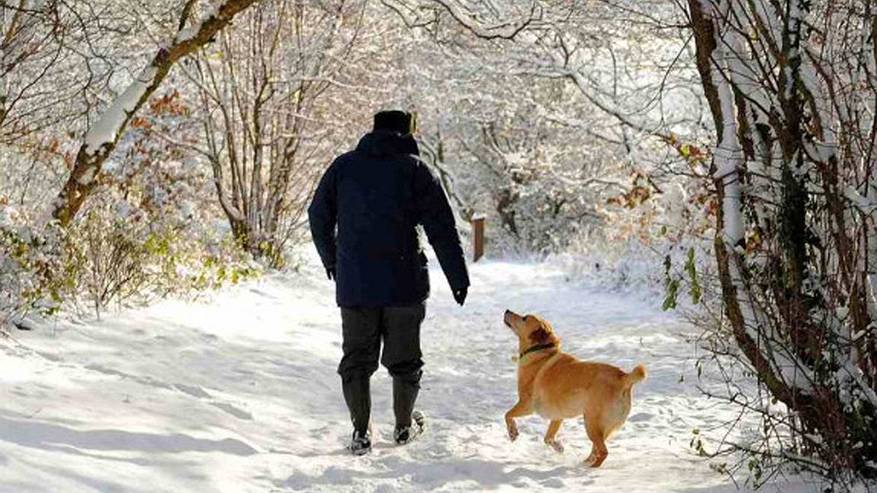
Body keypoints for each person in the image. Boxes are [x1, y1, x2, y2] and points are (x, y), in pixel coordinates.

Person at [308, 110, 470, 455]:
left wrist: (333, 259)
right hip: (404, 283)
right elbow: (441, 226)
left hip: (355, 284)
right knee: (405, 360)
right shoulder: (414, 169)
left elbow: (317, 214)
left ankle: (360, 432)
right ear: (407, 132)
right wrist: (459, 278)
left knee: (356, 359)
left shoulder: (343, 166)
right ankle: (402, 427)